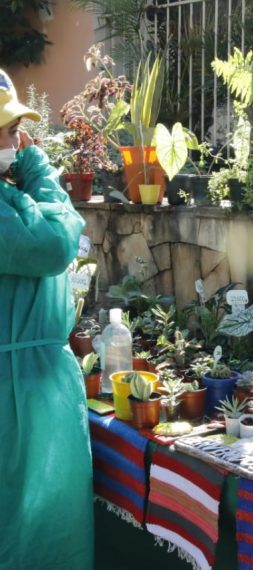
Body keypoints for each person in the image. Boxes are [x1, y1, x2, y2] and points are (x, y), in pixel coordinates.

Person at [0, 70, 93, 568]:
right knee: (29, 527)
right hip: (15, 389)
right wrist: (38, 167)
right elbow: (55, 243)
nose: (16, 143)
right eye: (7, 133)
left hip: (25, 378)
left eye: (15, 131)